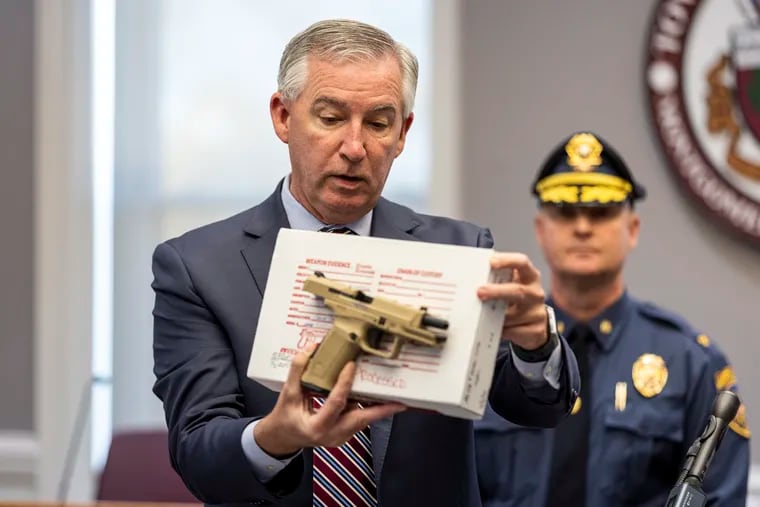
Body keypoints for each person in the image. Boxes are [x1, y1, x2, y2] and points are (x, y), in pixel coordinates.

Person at [151, 19, 580, 507]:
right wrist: (276, 436)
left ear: (402, 133)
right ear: (283, 117)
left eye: (378, 124)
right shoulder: (196, 268)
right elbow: (198, 451)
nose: (355, 148)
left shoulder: (460, 251)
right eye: (331, 118)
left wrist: (534, 344)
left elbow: (538, 408)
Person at [474, 131, 751, 507]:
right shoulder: (490, 352)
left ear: (633, 229)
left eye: (602, 212)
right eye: (565, 212)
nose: (583, 227)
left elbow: (719, 497)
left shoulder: (690, 361)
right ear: (541, 231)